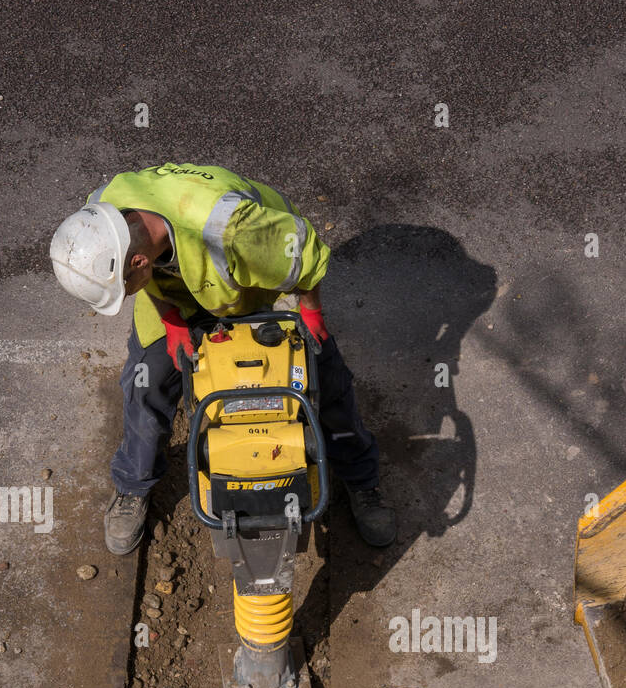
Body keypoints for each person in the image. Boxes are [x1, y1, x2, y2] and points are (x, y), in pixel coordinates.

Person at [49, 163, 395, 553]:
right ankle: (133, 485)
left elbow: (307, 257)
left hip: (251, 283)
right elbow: (144, 277)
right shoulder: (102, 214)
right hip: (178, 297)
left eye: (124, 290)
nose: (126, 297)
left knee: (321, 381)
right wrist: (170, 318)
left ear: (139, 263)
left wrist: (311, 313)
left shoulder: (234, 232)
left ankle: (363, 480)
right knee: (145, 386)